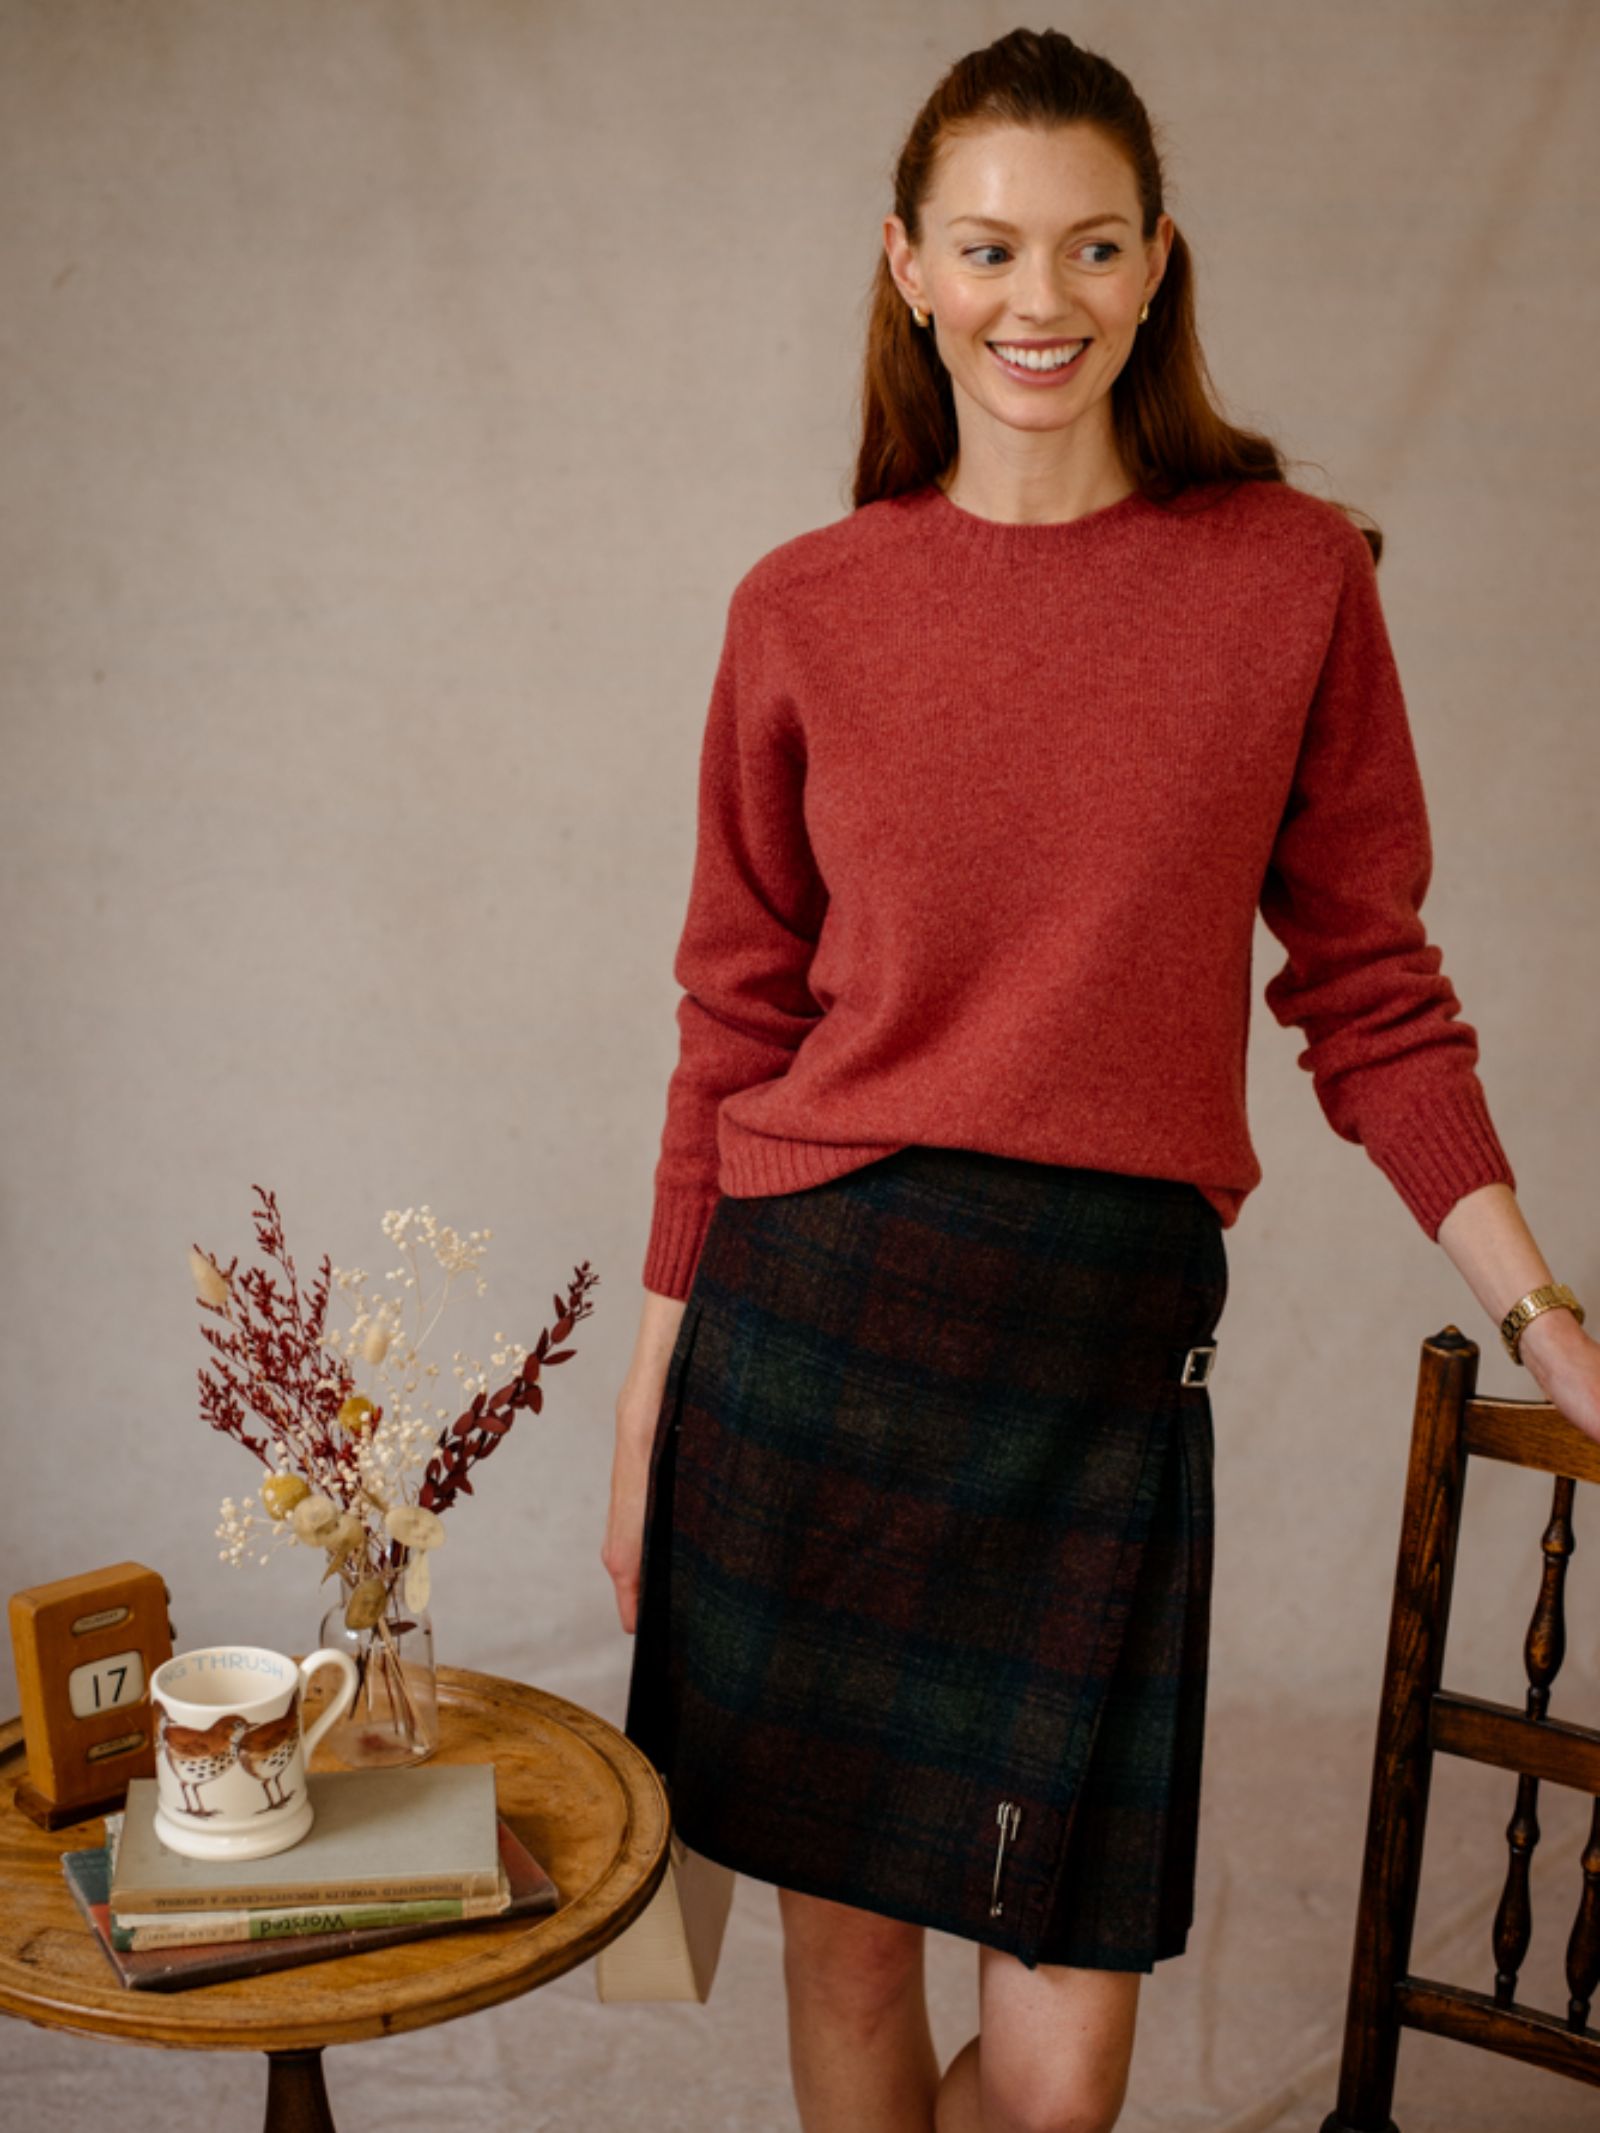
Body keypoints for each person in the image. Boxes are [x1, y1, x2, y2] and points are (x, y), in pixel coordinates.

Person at [602, 26, 1599, 2133]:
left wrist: (1540, 1306)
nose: (1031, 299)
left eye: (1084, 246)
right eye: (984, 247)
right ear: (906, 266)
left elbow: (1370, 989)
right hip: (813, 1340)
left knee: (1056, 2079)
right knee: (849, 1950)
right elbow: (730, 1019)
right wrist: (648, 1387)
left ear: (1155, 267)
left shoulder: (1289, 579)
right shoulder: (802, 608)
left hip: (1092, 1373)